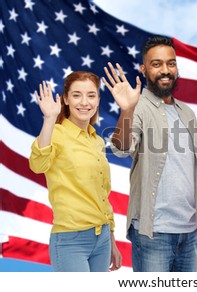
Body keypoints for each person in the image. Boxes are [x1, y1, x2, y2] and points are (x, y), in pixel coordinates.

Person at [102, 35, 197, 272]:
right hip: (153, 233)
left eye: (170, 64)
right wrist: (127, 110)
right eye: (157, 64)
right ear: (144, 69)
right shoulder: (138, 106)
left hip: (189, 235)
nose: (165, 70)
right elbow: (120, 149)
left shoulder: (187, 113)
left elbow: (192, 176)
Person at [29, 72, 122, 272]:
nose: (84, 102)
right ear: (66, 99)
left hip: (102, 238)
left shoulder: (96, 140)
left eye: (91, 95)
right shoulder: (56, 133)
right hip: (71, 240)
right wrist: (49, 120)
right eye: (76, 95)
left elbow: (103, 195)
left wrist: (111, 240)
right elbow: (38, 164)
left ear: (98, 100)